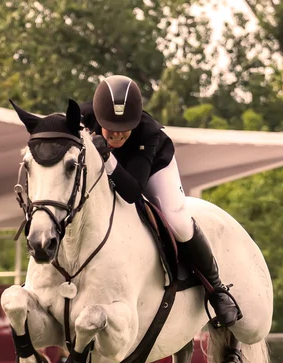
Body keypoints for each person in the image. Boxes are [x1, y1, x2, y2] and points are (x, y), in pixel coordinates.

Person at [80, 75, 240, 328]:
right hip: (105, 166)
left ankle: (217, 289)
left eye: (125, 127)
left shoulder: (148, 133)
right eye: (110, 126)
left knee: (178, 221)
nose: (118, 133)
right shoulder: (82, 117)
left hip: (153, 167)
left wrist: (108, 156)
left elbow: (131, 193)